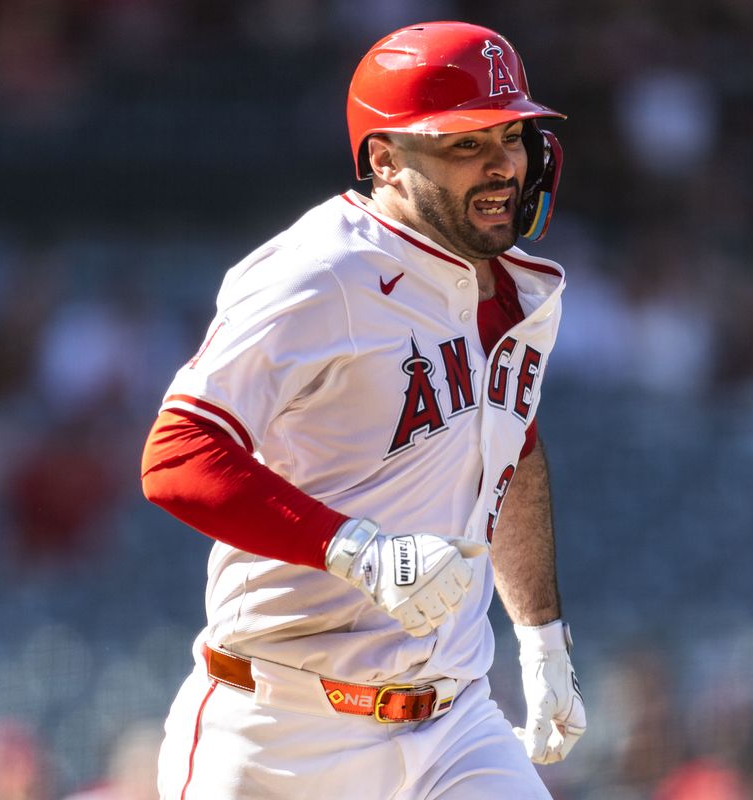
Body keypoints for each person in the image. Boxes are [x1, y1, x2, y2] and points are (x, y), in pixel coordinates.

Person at [141, 20, 585, 799]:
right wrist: (358, 550)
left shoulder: (511, 284)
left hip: (455, 723)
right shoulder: (321, 272)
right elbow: (176, 454)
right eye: (464, 144)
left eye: (511, 136)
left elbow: (508, 445)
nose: (504, 165)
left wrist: (542, 639)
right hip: (281, 726)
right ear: (384, 160)